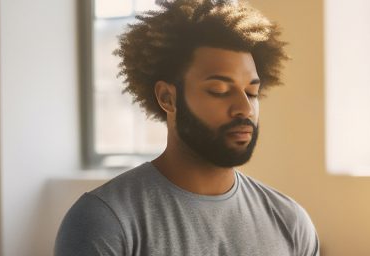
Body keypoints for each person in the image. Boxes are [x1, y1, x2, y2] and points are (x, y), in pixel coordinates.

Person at [54, 0, 319, 255]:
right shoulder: (104, 221)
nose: (245, 108)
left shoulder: (291, 221)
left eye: (251, 92)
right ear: (168, 98)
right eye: (219, 90)